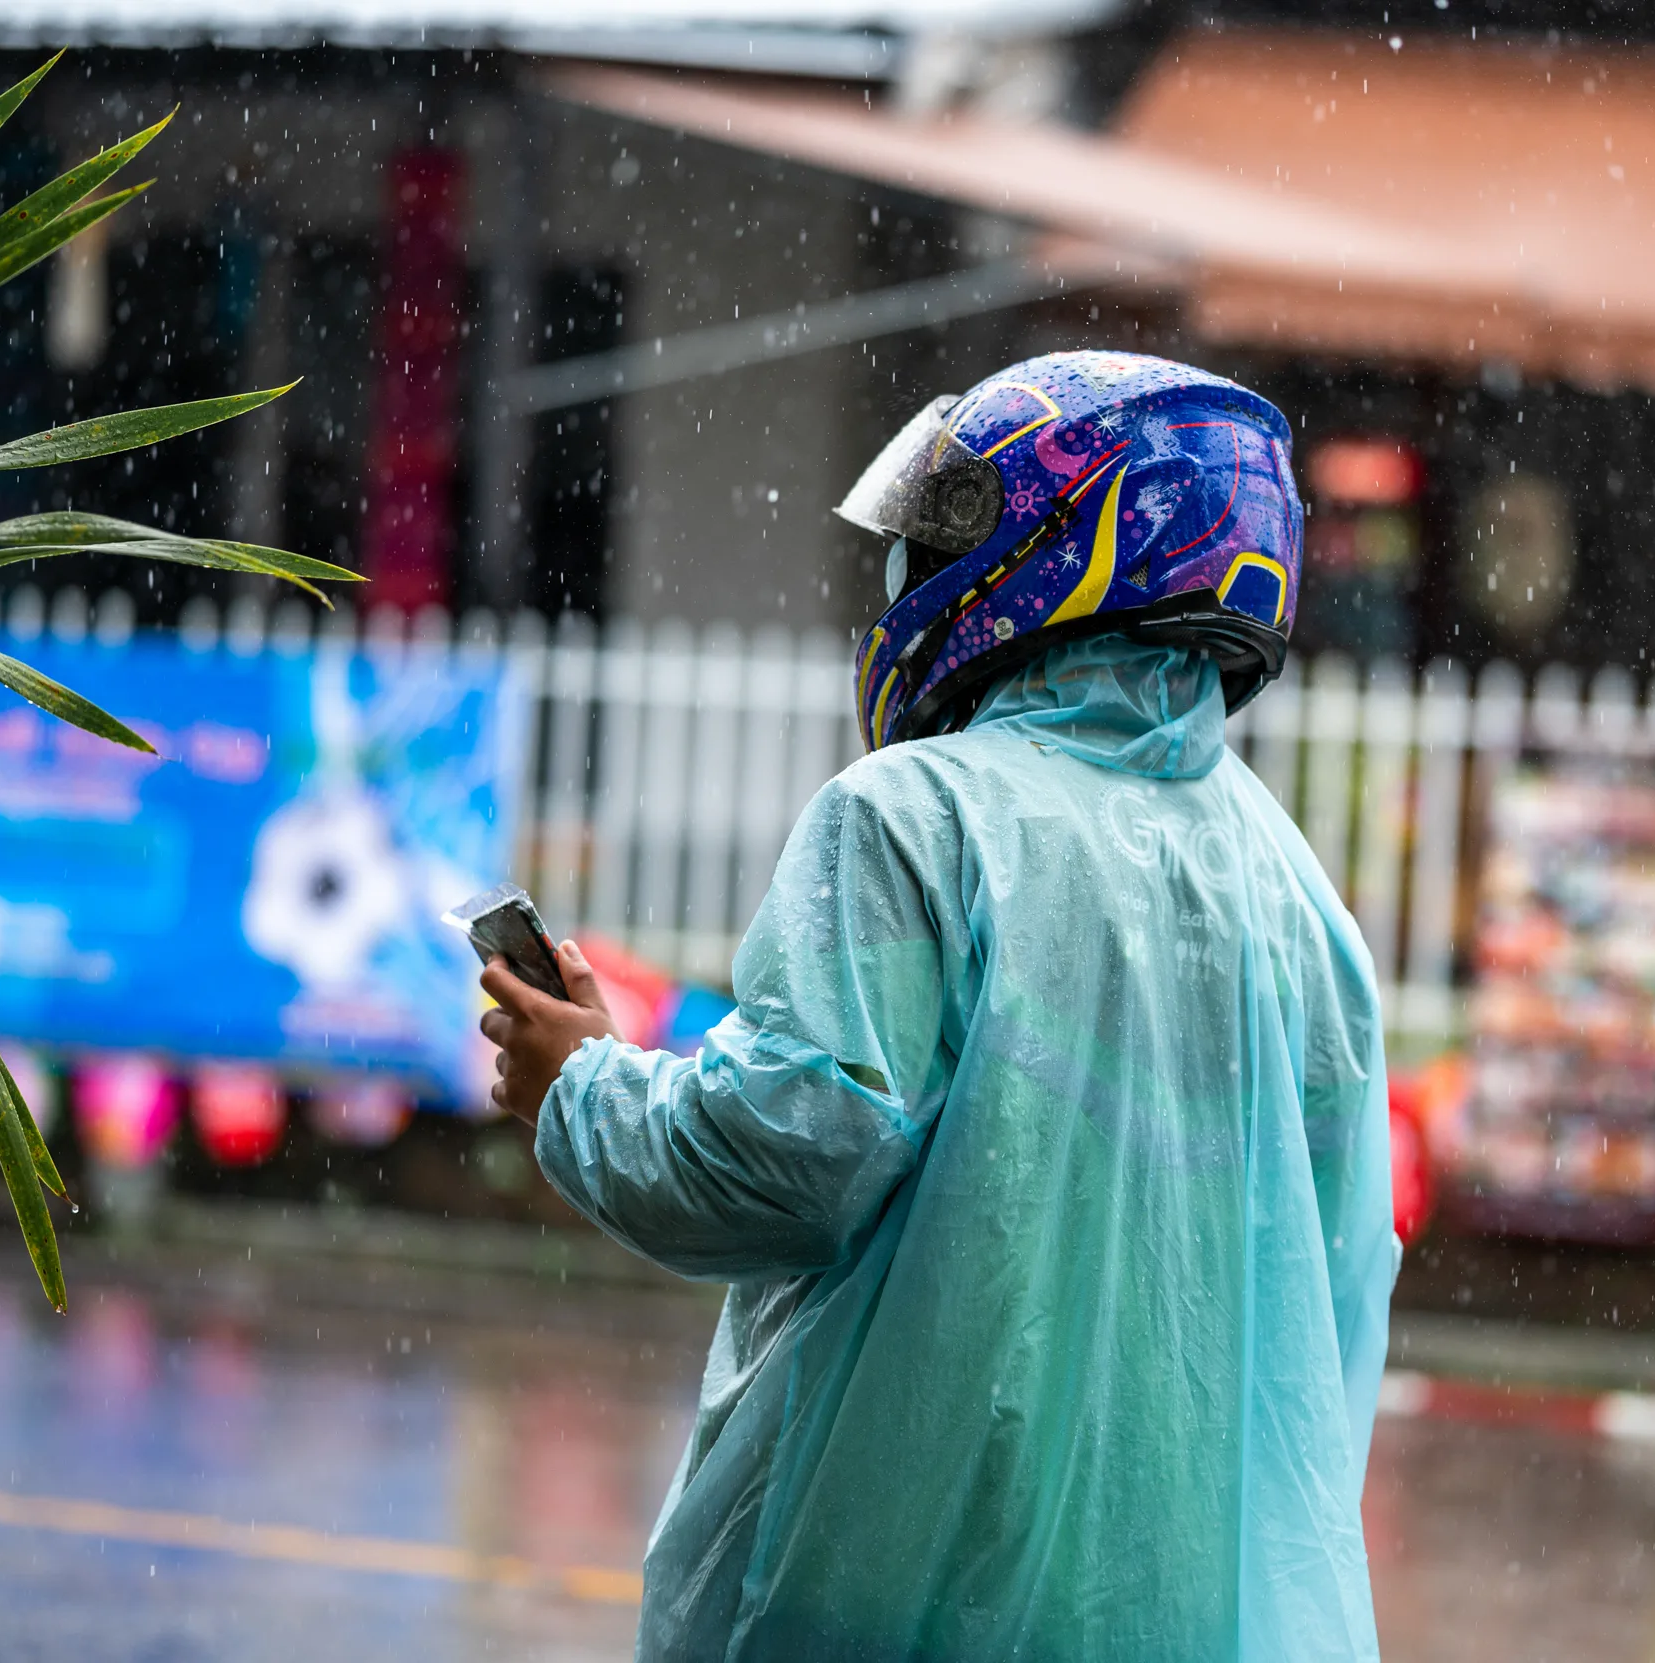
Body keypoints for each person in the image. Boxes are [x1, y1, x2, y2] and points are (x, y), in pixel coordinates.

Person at [481, 351, 1398, 1662]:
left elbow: (783, 1158)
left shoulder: (917, 819)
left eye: (945, 538)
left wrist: (580, 1085)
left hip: (894, 1602)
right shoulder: (1300, 906)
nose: (907, 581)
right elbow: (1336, 1296)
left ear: (1059, 547)